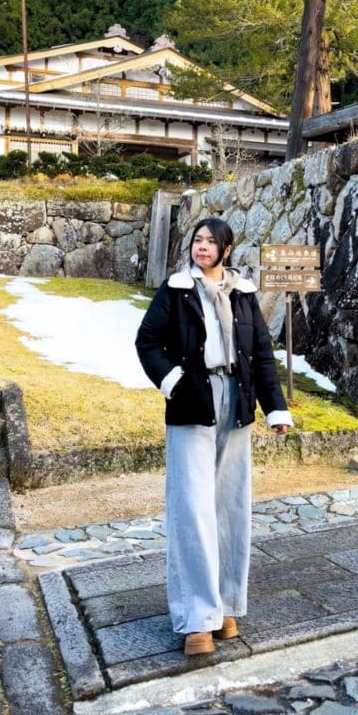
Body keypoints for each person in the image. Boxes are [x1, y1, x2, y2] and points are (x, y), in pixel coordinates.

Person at [135, 216, 293, 656]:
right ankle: (196, 619)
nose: (201, 247)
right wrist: (175, 382)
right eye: (196, 240)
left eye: (210, 242)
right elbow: (147, 343)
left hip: (236, 400)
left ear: (226, 250)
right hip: (192, 399)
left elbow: (261, 353)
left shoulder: (242, 294)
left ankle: (225, 606)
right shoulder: (176, 290)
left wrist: (275, 408)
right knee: (192, 508)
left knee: (229, 506)